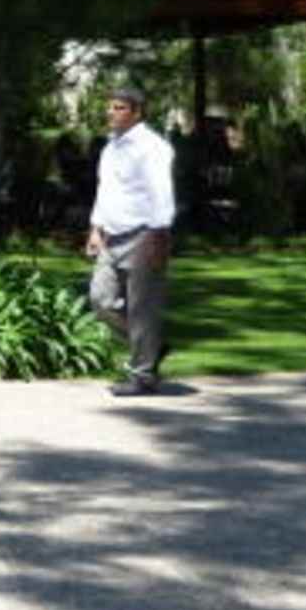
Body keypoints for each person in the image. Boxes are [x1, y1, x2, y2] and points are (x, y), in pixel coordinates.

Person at [86, 85, 178, 397]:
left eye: (119, 108)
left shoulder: (152, 147)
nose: (111, 112)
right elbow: (106, 190)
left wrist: (159, 235)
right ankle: (152, 346)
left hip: (144, 235)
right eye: (110, 107)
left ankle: (143, 376)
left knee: (142, 308)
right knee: (100, 300)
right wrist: (96, 228)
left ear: (137, 113)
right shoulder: (111, 147)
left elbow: (161, 192)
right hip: (111, 234)